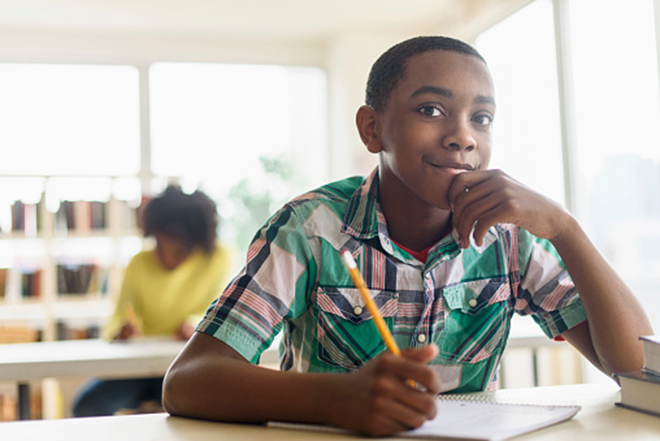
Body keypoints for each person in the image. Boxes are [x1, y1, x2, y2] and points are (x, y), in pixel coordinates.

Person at [162, 36, 653, 437]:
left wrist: (565, 228)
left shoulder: (511, 239)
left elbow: (635, 369)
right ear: (372, 129)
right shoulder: (311, 231)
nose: (463, 136)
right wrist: (337, 401)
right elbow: (188, 381)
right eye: (432, 110)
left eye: (481, 118)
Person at [72, 184, 233, 417]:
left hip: (191, 365)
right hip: (139, 369)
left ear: (195, 243)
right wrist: (121, 331)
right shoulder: (138, 264)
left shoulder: (218, 258)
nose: (167, 258)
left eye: (179, 251)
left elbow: (220, 311)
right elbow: (117, 318)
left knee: (204, 410)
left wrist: (195, 323)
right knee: (86, 406)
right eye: (159, 245)